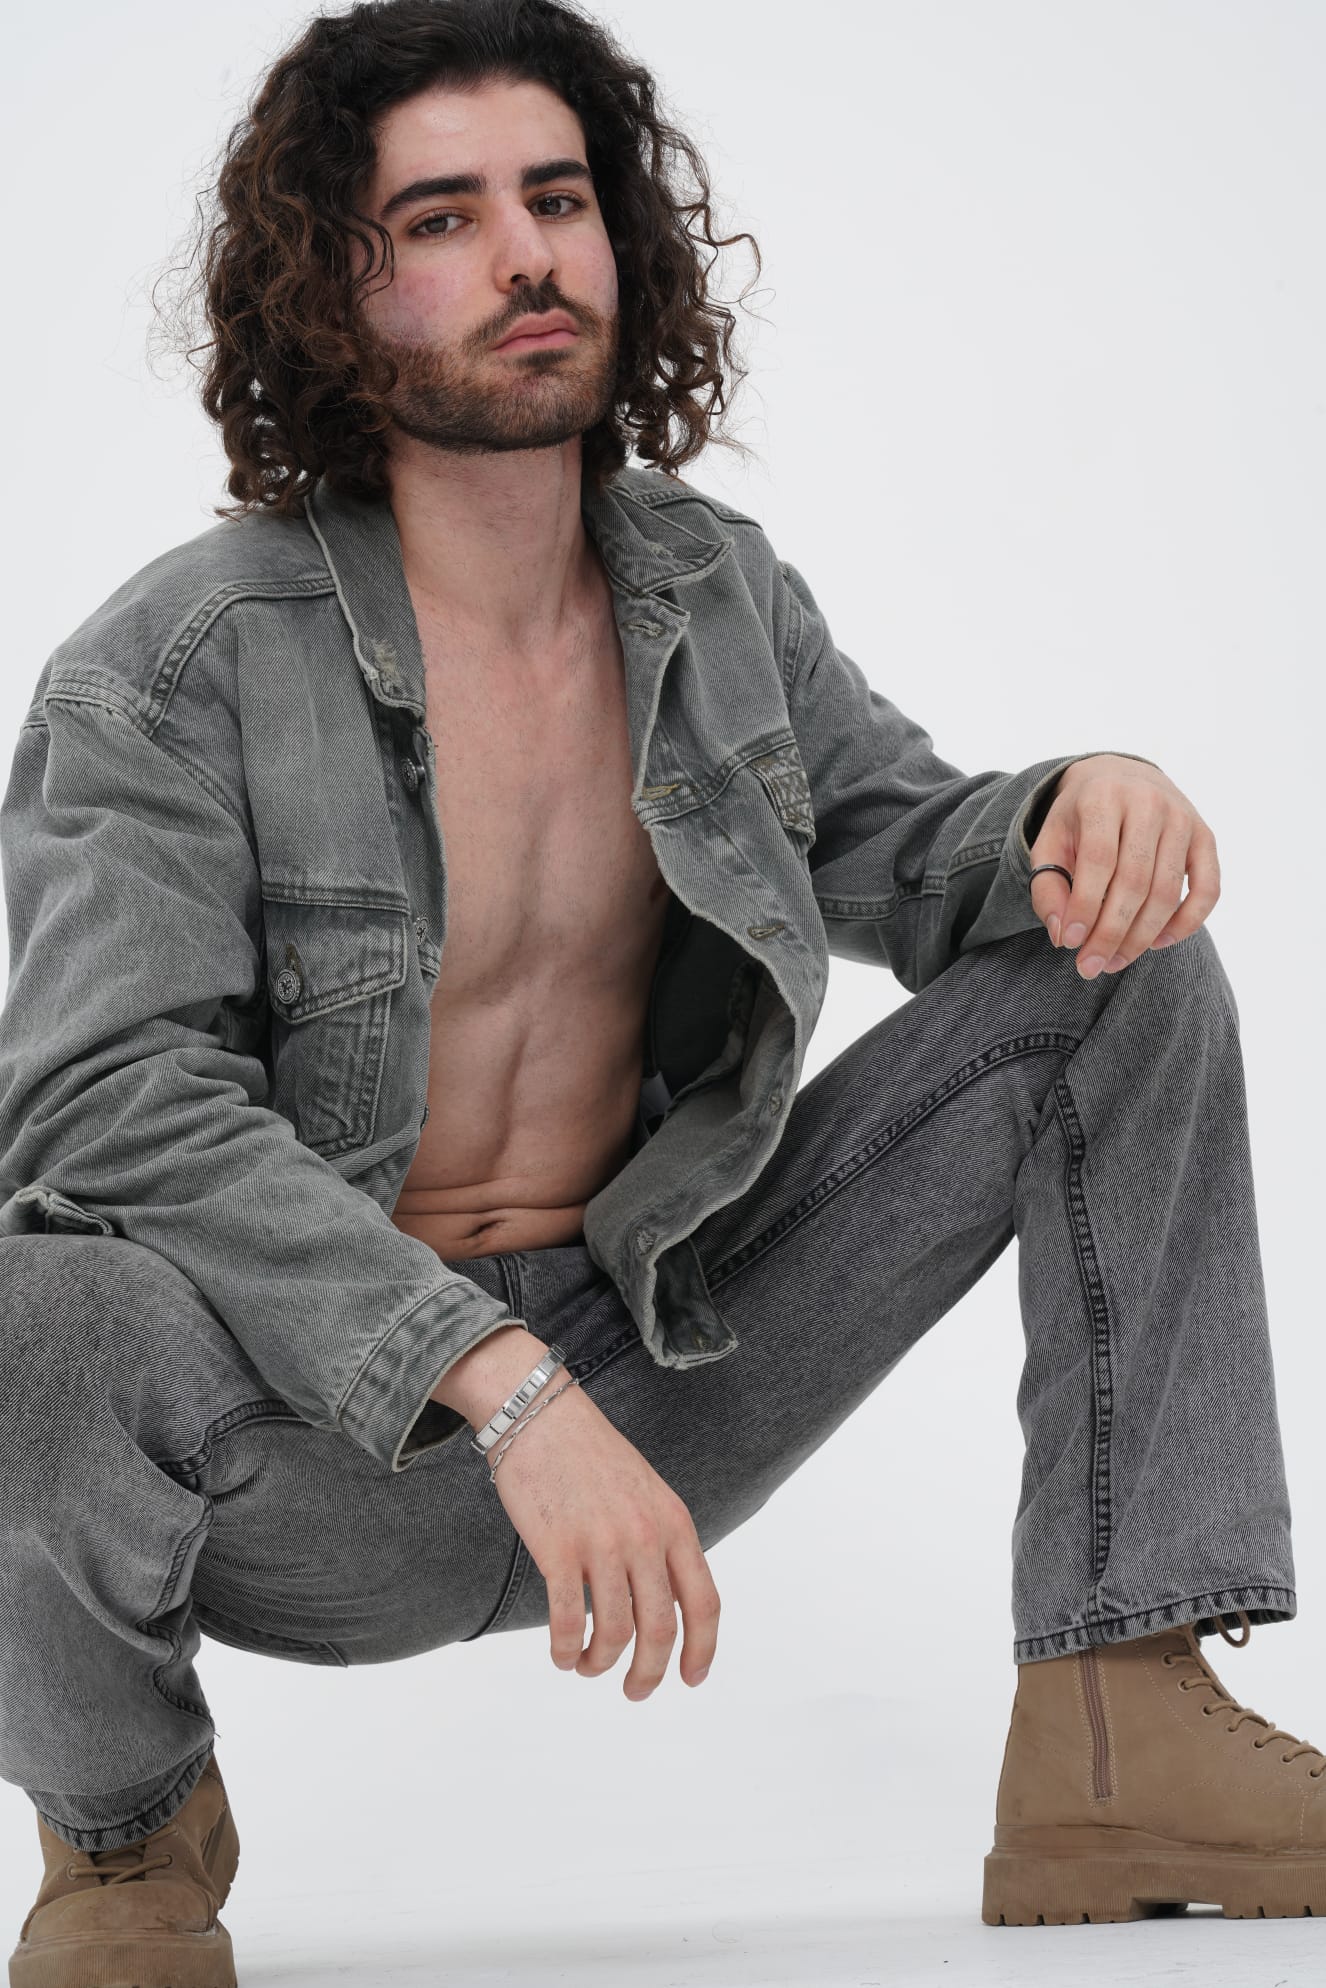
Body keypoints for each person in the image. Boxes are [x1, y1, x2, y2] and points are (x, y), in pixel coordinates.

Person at [0, 1, 1318, 1979]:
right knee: (32, 1312)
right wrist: (499, 1384)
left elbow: (917, 852)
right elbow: (106, 1107)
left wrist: (1079, 802)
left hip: (663, 1360)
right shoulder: (175, 668)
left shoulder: (713, 594)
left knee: (1118, 980)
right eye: (441, 217)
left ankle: (1120, 1721)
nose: (524, 256)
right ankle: (122, 1838)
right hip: (326, 1442)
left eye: (557, 199)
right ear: (333, 290)